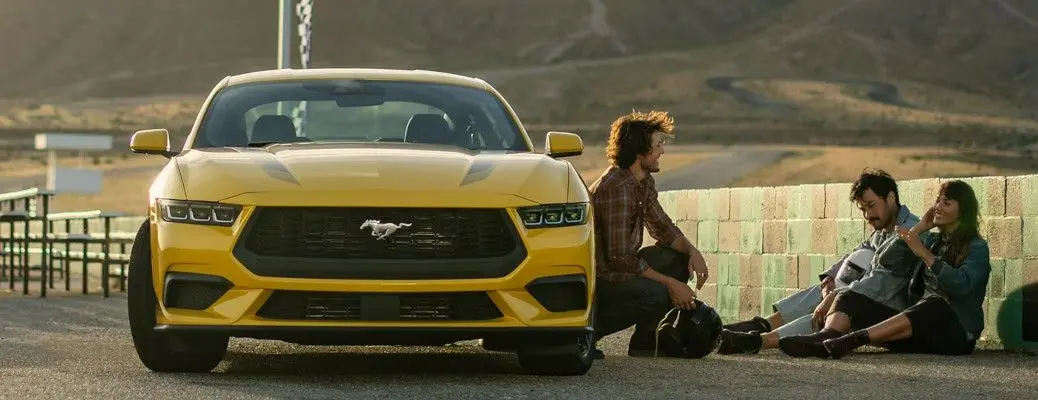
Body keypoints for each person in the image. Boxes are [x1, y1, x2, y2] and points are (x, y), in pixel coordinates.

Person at [719, 169, 920, 354]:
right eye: (863, 209)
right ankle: (762, 325)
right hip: (868, 300)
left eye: (871, 205)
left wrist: (834, 297)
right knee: (825, 290)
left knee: (838, 303)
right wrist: (830, 279)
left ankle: (760, 341)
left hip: (893, 315)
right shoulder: (884, 229)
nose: (867, 215)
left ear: (891, 197)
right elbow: (858, 252)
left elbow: (879, 284)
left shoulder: (910, 232)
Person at [817, 180, 991, 358]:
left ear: (963, 211)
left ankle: (853, 340)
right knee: (847, 297)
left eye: (946, 203)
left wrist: (925, 255)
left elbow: (963, 286)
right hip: (918, 331)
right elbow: (887, 259)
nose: (938, 207)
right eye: (937, 201)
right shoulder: (932, 241)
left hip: (956, 336)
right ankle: (825, 339)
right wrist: (919, 227)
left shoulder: (976, 247)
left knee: (935, 305)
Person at [588, 110, 711, 358]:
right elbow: (619, 257)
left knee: (676, 260)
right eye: (658, 145)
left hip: (620, 270)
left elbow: (663, 228)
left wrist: (692, 251)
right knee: (658, 292)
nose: (662, 151)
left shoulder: (642, 180)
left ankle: (645, 342)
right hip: (600, 279)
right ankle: (589, 333)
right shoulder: (616, 187)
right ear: (639, 150)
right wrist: (671, 284)